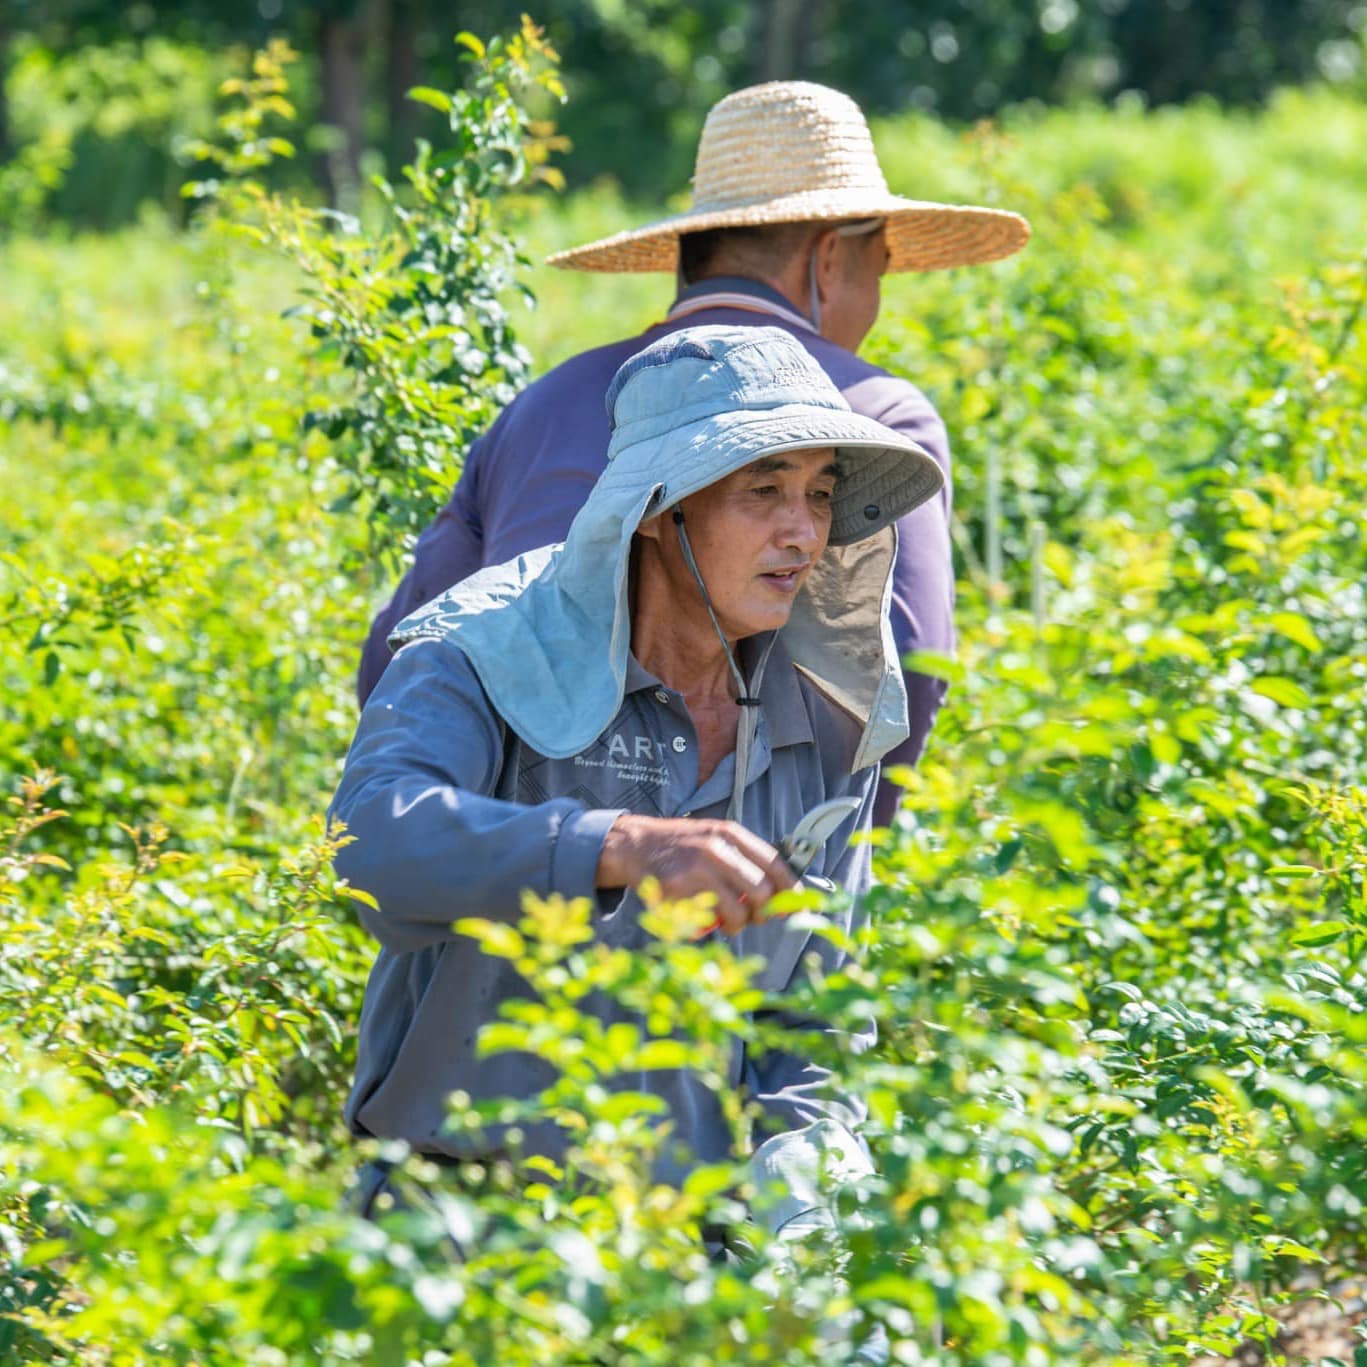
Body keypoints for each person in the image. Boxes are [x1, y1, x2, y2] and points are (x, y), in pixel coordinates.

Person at [332, 324, 944, 1248]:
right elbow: (372, 842)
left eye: (820, 494)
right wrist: (616, 844)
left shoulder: (827, 710)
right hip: (457, 1219)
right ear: (658, 507)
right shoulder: (486, 648)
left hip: (686, 1256)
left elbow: (810, 1027)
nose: (803, 530)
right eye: (763, 488)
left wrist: (807, 1227)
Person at [357, 80, 1029, 819]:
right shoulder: (873, 415)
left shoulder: (539, 405)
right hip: (732, 872)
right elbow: (905, 666)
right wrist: (820, 852)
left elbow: (402, 653)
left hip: (500, 855)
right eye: (882, 265)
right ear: (830, 260)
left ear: (684, 258)